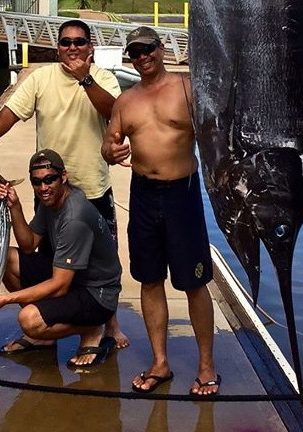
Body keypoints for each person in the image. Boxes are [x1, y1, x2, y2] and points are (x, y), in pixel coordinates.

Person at [0, 18, 128, 355]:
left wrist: (83, 78)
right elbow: (11, 113)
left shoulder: (103, 78)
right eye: (66, 42)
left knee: (98, 266)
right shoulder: (42, 78)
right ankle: (42, 330)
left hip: (92, 190)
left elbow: (114, 111)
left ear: (90, 47)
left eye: (79, 42)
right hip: (50, 190)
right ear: (57, 47)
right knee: (46, 259)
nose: (72, 48)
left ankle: (107, 324)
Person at [101, 26, 220, 398]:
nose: (142, 57)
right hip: (144, 195)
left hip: (182, 193)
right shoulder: (125, 101)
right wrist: (112, 152)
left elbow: (219, 130)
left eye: (147, 49)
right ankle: (160, 363)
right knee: (149, 279)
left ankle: (205, 366)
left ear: (162, 48)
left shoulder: (188, 88)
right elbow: (109, 143)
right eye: (134, 53)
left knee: (194, 282)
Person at [0, 149, 122, 369]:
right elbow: (28, 245)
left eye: (50, 179)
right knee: (7, 258)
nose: (43, 188)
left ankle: (92, 328)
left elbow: (59, 286)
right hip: (73, 278)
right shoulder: (51, 202)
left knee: (28, 320)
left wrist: (5, 300)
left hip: (97, 293)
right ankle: (44, 335)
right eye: (37, 182)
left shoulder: (74, 216)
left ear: (63, 177)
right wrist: (15, 207)